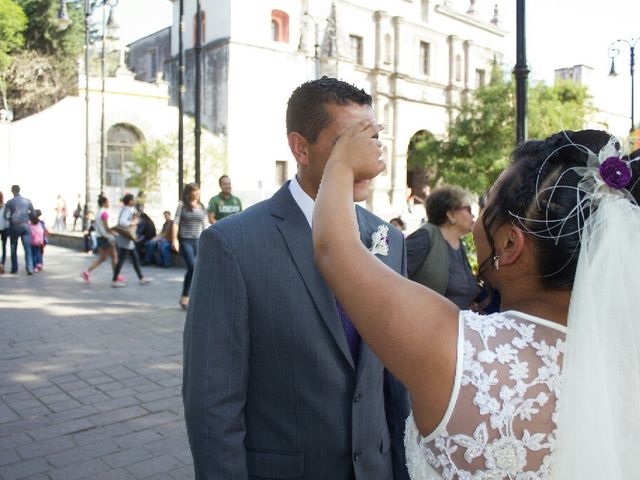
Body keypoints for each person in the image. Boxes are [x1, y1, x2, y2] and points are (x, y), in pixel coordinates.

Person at [313, 127, 640, 479]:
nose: (477, 219)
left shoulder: (454, 347)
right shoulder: (625, 360)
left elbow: (335, 248)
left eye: (486, 205)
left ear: (510, 245)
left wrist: (341, 160)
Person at [183, 78, 410, 480]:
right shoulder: (233, 245)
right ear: (300, 147)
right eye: (347, 143)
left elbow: (396, 385)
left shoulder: (389, 241)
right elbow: (212, 403)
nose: (369, 155)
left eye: (373, 139)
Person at [406, 185, 480, 309]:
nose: (473, 216)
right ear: (451, 214)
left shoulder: (458, 245)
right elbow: (395, 276)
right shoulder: (425, 237)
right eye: (468, 210)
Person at [172, 183, 207, 310]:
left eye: (198, 191)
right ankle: (186, 295)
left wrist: (207, 240)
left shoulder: (201, 206)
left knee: (197, 269)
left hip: (198, 240)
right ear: (188, 192)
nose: (196, 193)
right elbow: (175, 223)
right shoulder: (182, 205)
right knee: (192, 266)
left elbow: (205, 224)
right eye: (194, 191)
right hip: (185, 240)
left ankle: (191, 296)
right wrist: (174, 239)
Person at [111, 193, 151, 287]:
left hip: (127, 240)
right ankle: (114, 279)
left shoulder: (127, 210)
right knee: (122, 259)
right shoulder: (126, 210)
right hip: (126, 239)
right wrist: (132, 222)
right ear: (129, 201)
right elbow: (122, 222)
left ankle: (141, 278)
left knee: (134, 258)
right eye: (133, 200)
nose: (134, 201)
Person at [81, 196, 122, 284]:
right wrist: (114, 233)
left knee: (102, 258)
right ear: (104, 203)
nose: (109, 204)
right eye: (107, 202)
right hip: (107, 237)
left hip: (100, 237)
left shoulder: (98, 213)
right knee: (114, 256)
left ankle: (87, 271)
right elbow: (107, 227)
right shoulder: (104, 213)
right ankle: (116, 275)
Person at [4, 185, 34, 274]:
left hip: (14, 226)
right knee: (27, 248)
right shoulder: (28, 201)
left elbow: (6, 215)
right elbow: (33, 213)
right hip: (25, 225)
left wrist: (11, 220)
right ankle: (30, 268)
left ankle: (14, 268)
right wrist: (27, 218)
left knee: (13, 247)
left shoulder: (10, 202)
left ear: (12, 191)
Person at [0, 191, 8, 274]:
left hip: (5, 229)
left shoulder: (6, 206)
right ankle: (2, 265)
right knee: (3, 247)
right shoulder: (6, 206)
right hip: (5, 228)